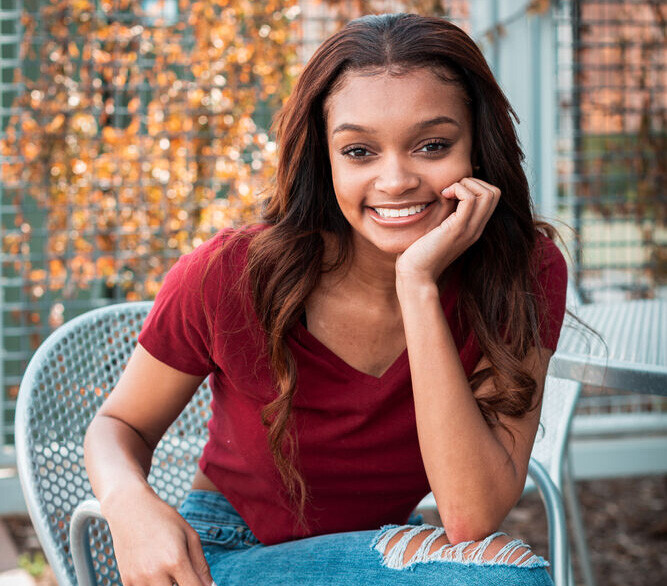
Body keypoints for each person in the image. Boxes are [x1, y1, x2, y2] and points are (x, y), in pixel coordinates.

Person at [84, 13, 567, 586]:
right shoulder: (230, 273)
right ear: (325, 157)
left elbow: (468, 516)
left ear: (478, 150)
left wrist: (417, 285)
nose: (395, 180)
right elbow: (120, 425)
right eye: (359, 151)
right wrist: (128, 503)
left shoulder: (520, 272)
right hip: (223, 556)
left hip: (377, 550)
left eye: (433, 145)